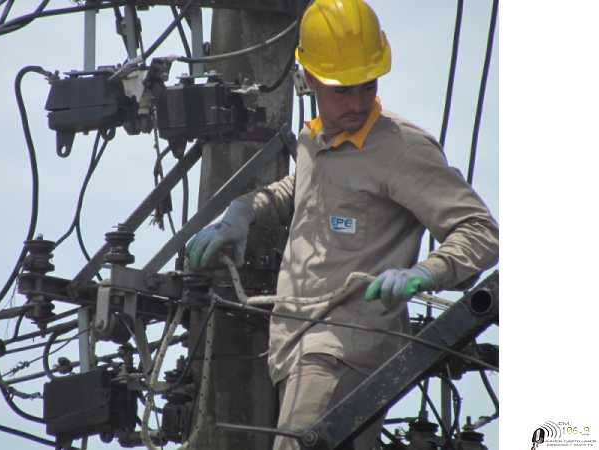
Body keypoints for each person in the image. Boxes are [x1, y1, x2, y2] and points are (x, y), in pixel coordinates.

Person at [184, 0, 500, 449]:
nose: (356, 103)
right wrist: (244, 210)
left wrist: (425, 272)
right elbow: (302, 189)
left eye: (366, 87)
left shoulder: (401, 148)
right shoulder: (316, 138)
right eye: (342, 90)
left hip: (343, 349)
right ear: (309, 78)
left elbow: (480, 230)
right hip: (294, 344)